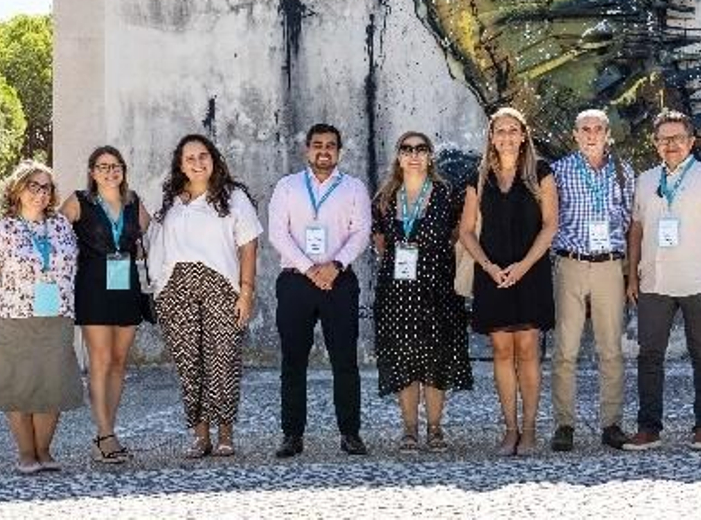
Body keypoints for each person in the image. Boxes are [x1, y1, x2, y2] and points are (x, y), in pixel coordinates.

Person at [623, 110, 701, 451]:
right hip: (655, 280)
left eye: (676, 138)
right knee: (649, 356)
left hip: (699, 279)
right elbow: (637, 230)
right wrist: (632, 275)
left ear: (691, 141)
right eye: (663, 139)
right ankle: (648, 428)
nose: (670, 144)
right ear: (655, 144)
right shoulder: (645, 180)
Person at [146, 134, 262, 457]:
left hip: (221, 286)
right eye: (190, 158)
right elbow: (155, 238)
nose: (198, 163)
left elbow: (248, 245)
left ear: (213, 159)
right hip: (177, 286)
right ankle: (200, 436)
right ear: (180, 165)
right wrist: (159, 287)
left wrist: (246, 292)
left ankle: (225, 433)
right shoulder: (171, 200)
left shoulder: (232, 196)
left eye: (203, 156)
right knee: (189, 364)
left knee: (223, 360)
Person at [268, 123, 373, 458]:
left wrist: (335, 266)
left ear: (339, 151)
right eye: (317, 145)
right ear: (307, 150)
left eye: (330, 145)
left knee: (345, 361)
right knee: (293, 361)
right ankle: (292, 435)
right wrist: (310, 268)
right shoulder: (287, 187)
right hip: (296, 280)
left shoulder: (354, 188)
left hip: (339, 280)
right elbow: (277, 234)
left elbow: (361, 233)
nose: (323, 150)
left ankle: (350, 433)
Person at [458, 107, 558, 456]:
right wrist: (487, 266)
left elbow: (550, 226)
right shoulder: (479, 177)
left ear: (523, 135)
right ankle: (510, 430)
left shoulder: (540, 173)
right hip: (493, 275)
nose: (506, 137)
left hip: (530, 274)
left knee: (528, 350)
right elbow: (466, 231)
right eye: (500, 131)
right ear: (491, 136)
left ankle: (529, 430)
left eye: (513, 130)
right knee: (501, 351)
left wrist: (523, 266)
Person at [0, 161, 85, 475]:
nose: (39, 193)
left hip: (57, 316)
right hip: (14, 318)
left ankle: (44, 451)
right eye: (33, 186)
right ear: (18, 190)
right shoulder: (3, 228)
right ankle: (26, 453)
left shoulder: (61, 225)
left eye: (45, 187)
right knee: (18, 387)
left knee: (52, 386)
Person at [370, 130, 473, 452]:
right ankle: (410, 429)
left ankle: (435, 428)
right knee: (404, 361)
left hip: (437, 289)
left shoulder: (446, 194)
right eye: (407, 149)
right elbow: (380, 244)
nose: (414, 155)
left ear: (430, 156)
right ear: (398, 156)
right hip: (396, 293)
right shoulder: (385, 198)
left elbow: (458, 235)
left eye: (421, 149)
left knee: (436, 360)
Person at [547, 108, 635, 452]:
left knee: (610, 348)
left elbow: (628, 220)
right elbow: (550, 219)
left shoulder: (623, 172)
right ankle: (564, 424)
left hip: (609, 266)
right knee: (565, 348)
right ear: (575, 134)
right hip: (571, 263)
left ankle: (611, 423)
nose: (591, 135)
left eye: (598, 129)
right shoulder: (559, 171)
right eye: (585, 129)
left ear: (607, 133)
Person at [60, 145, 150, 464]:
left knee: (118, 361)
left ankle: (107, 432)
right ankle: (105, 433)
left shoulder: (134, 202)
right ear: (92, 171)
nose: (110, 171)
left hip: (126, 285)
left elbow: (146, 232)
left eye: (116, 166)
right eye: (103, 166)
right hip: (93, 287)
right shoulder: (79, 201)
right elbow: (56, 233)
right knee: (99, 360)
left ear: (123, 170)